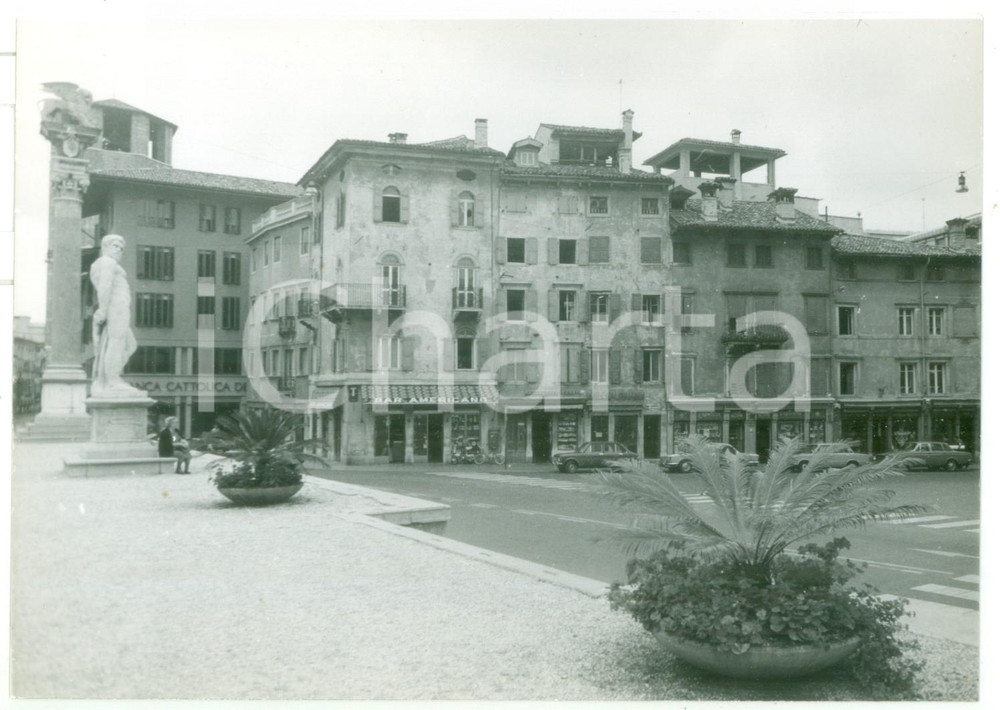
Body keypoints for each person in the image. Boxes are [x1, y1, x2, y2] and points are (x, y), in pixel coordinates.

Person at [89, 234, 141, 396]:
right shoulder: (107, 262)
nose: (119, 250)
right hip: (116, 306)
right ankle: (112, 381)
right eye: (115, 246)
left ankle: (109, 377)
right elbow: (105, 286)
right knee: (116, 342)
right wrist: (103, 309)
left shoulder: (102, 264)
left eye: (121, 248)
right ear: (105, 246)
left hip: (118, 306)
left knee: (129, 344)